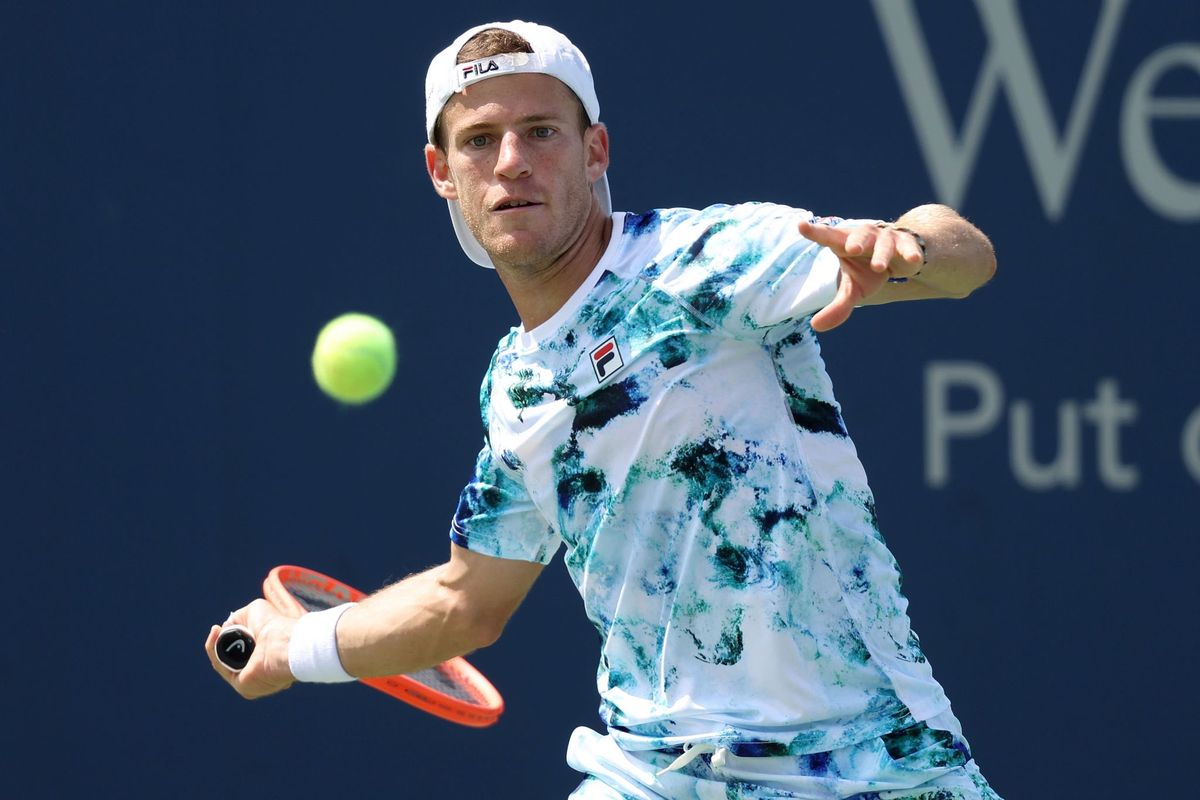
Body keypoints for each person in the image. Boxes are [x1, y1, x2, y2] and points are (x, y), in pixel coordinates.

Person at [206, 20, 1000, 800]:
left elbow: (968, 263)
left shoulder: (707, 262)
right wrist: (296, 646)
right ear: (441, 172)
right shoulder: (516, 391)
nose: (511, 161)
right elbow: (465, 601)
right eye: (479, 141)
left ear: (595, 152)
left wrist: (911, 245)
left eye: (541, 131)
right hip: (654, 773)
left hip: (870, 764)